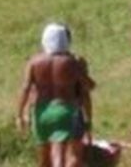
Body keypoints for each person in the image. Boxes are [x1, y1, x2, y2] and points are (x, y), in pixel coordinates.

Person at [17, 23, 96, 167]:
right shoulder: (72, 62)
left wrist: (20, 114)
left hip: (41, 113)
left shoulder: (34, 62)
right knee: (66, 157)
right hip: (66, 110)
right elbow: (88, 87)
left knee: (45, 160)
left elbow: (25, 88)